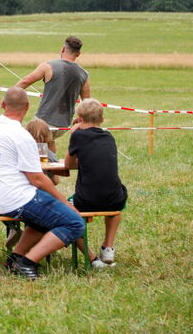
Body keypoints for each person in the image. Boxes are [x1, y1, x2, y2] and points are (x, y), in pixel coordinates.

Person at [0, 86, 84, 280]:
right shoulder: (22, 136)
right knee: (75, 223)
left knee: (44, 218)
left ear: (2, 105)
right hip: (15, 199)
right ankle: (27, 261)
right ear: (27, 106)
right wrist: (65, 202)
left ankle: (15, 257)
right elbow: (36, 179)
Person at [65, 98, 128, 268]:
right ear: (102, 120)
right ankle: (108, 247)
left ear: (79, 118)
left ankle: (92, 259)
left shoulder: (77, 135)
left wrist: (72, 134)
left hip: (86, 200)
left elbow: (67, 165)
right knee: (116, 209)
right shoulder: (109, 137)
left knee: (64, 211)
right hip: (115, 199)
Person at [17, 36, 90, 152]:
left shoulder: (48, 66)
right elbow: (87, 103)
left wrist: (10, 95)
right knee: (49, 140)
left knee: (26, 144)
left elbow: (26, 81)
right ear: (78, 54)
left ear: (62, 49)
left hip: (43, 122)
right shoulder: (84, 74)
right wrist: (80, 118)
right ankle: (53, 166)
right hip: (64, 125)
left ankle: (42, 168)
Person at [25, 118, 60, 186]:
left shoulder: (21, 149)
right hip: (39, 188)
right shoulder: (46, 153)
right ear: (47, 134)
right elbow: (55, 181)